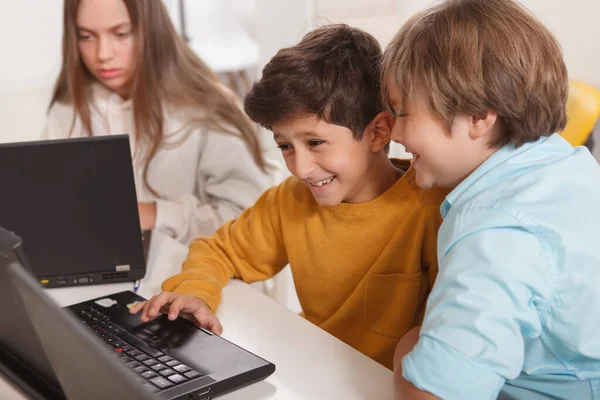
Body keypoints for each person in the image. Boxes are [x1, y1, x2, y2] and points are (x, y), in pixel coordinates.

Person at [130, 24, 449, 369]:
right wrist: (195, 292)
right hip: (308, 371)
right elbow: (219, 250)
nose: (301, 167)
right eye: (285, 146)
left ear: (379, 132)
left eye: (315, 143)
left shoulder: (432, 207)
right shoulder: (291, 200)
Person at [382, 0, 600, 398]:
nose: (394, 133)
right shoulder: (564, 163)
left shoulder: (497, 232)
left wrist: (407, 348)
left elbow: (433, 394)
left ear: (479, 117)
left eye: (403, 113)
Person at [43, 0, 271, 246]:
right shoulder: (66, 112)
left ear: (152, 29)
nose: (103, 54)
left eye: (121, 34)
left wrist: (153, 214)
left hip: (195, 277)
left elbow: (250, 222)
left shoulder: (207, 110)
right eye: (86, 36)